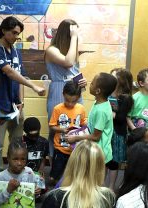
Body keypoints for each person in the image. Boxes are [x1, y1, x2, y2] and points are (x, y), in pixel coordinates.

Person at [0, 16, 46, 168]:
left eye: (18, 34)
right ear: (4, 31)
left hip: (15, 106)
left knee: (17, 144)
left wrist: (21, 102)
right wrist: (34, 86)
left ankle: (15, 173)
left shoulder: (16, 52)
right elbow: (9, 72)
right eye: (13, 33)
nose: (16, 36)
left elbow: (20, 77)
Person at [45, 19, 87, 157]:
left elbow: (74, 71)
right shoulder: (51, 50)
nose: (76, 37)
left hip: (75, 91)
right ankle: (55, 164)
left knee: (77, 126)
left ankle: (73, 161)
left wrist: (83, 82)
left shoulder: (72, 51)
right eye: (74, 34)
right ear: (67, 34)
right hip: (58, 89)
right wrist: (74, 36)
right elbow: (68, 63)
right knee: (57, 129)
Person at [66, 73, 118, 174]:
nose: (90, 84)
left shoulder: (101, 111)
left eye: (92, 83)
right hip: (96, 150)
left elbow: (96, 137)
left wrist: (76, 138)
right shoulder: (100, 103)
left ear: (98, 91)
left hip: (98, 153)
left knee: (94, 178)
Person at [49, 82, 87, 183]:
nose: (70, 104)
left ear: (78, 97)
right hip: (60, 148)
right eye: (67, 100)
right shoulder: (57, 108)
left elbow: (84, 124)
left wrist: (83, 130)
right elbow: (52, 125)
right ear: (63, 94)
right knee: (53, 177)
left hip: (74, 148)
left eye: (73, 101)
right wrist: (62, 130)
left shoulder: (81, 108)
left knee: (74, 175)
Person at [107, 68, 134, 190]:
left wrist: (108, 113)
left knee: (113, 162)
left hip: (117, 133)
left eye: (114, 77)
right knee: (103, 160)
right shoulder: (107, 93)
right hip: (106, 132)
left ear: (122, 81)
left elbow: (121, 117)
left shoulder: (126, 98)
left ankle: (111, 187)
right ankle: (100, 185)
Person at [127, 68, 148, 135]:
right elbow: (128, 116)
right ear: (141, 83)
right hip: (135, 135)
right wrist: (134, 130)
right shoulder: (134, 98)